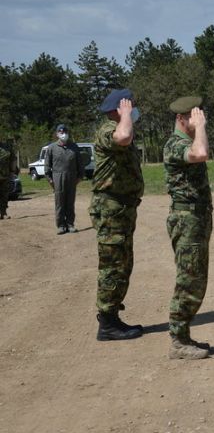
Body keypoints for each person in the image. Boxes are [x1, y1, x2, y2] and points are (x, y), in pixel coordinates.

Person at [89, 89, 145, 341]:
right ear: (118, 109)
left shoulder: (122, 127)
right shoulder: (107, 129)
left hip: (122, 210)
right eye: (130, 106)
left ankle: (113, 318)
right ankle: (107, 323)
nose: (134, 111)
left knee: (123, 264)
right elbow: (122, 136)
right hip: (111, 209)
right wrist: (125, 116)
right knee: (112, 266)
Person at [164, 96, 213, 360]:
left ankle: (183, 336)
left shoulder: (186, 141)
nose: (199, 120)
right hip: (187, 221)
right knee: (188, 280)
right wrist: (201, 128)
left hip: (196, 219)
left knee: (196, 279)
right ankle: (178, 341)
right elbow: (201, 153)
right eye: (194, 117)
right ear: (181, 119)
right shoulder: (175, 144)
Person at [45, 124, 84, 234]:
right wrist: (50, 179)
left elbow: (80, 163)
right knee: (59, 203)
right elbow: (47, 165)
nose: (64, 134)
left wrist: (80, 176)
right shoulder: (51, 148)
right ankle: (61, 225)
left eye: (65, 132)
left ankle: (70, 224)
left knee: (70, 202)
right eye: (61, 132)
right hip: (58, 178)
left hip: (72, 177)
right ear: (57, 134)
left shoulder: (74, 147)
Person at [0, 141, 14, 220]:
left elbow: (13, 159)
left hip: (5, 176)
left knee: (4, 195)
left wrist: (12, 171)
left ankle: (3, 213)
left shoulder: (7, 147)